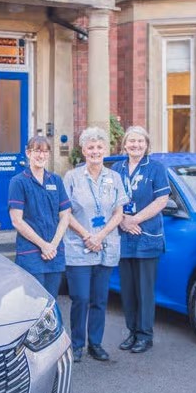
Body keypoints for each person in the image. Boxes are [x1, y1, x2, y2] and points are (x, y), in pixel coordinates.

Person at [63, 127, 129, 363]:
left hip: (106, 245)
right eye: (90, 147)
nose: (95, 151)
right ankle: (78, 344)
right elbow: (66, 213)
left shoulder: (115, 178)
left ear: (105, 150)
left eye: (99, 147)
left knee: (99, 299)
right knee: (80, 297)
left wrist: (99, 236)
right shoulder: (71, 177)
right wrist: (87, 236)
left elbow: (119, 212)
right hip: (78, 245)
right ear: (83, 150)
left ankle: (96, 344)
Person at [112, 126, 170, 354]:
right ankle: (132, 332)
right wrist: (124, 220)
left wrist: (135, 220)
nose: (135, 145)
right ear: (124, 144)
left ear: (146, 145)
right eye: (131, 141)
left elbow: (161, 200)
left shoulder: (156, 168)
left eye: (140, 142)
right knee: (127, 289)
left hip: (147, 235)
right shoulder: (117, 168)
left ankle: (145, 335)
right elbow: (111, 200)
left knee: (145, 289)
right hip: (124, 235)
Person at [8, 136, 71, 299]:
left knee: (52, 301)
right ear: (28, 153)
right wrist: (44, 245)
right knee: (34, 304)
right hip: (31, 255)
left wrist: (53, 245)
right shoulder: (18, 182)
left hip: (54, 254)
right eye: (37, 151)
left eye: (45, 151)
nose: (41, 156)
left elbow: (65, 215)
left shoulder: (56, 180)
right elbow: (17, 220)